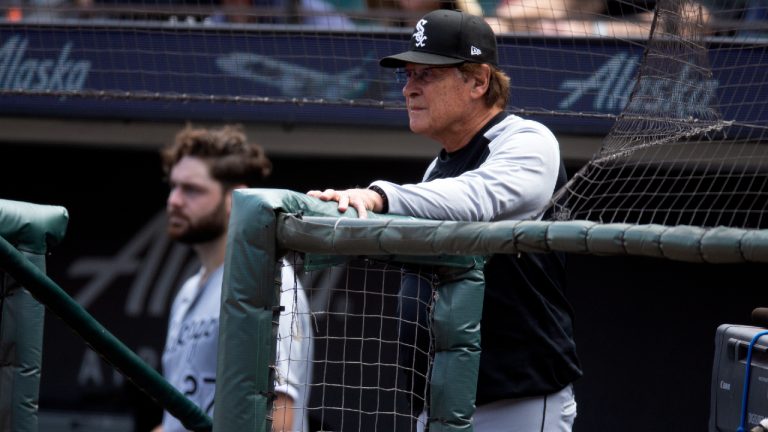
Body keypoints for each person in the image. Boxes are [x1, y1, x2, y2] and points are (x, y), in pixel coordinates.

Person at [308, 9, 581, 431]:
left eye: (426, 75)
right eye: (408, 76)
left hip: (517, 401)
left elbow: (476, 199)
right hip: (438, 405)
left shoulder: (528, 141)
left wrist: (379, 195)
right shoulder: (437, 168)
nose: (408, 90)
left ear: (478, 81)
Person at [153, 124, 313, 432]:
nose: (174, 201)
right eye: (173, 186)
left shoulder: (269, 280)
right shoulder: (187, 291)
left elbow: (279, 418)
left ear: (235, 199)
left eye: (192, 190)